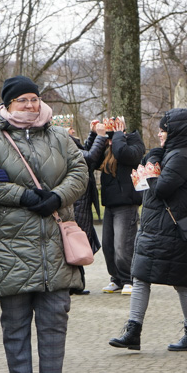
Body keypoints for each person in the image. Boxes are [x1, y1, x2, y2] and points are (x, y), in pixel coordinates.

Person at [0, 76, 88, 373]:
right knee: (15, 321)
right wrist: (22, 196)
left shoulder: (60, 136)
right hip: (9, 248)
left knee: (55, 318)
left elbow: (79, 172)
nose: (31, 105)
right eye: (23, 100)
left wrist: (57, 196)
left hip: (53, 246)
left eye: (34, 99)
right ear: (8, 105)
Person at [109, 108, 187, 352]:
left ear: (176, 132)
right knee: (140, 277)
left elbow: (161, 188)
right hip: (156, 229)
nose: (160, 134)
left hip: (173, 231)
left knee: (182, 283)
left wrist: (150, 168)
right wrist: (152, 162)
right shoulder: (172, 153)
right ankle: (133, 331)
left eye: (164, 130)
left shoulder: (182, 156)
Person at [53, 116, 107, 296]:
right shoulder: (62, 145)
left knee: (76, 240)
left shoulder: (68, 144)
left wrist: (92, 135)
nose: (73, 130)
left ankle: (77, 283)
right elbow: (89, 159)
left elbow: (83, 151)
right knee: (74, 240)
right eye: (69, 128)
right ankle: (74, 284)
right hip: (77, 201)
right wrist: (100, 136)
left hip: (80, 200)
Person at [92, 116, 145, 295]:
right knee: (108, 246)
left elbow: (124, 154)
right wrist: (96, 136)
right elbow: (92, 159)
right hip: (110, 204)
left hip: (127, 203)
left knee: (123, 245)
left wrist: (118, 135)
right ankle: (116, 278)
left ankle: (129, 278)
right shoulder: (110, 145)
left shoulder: (134, 142)